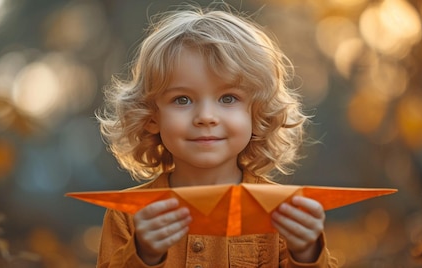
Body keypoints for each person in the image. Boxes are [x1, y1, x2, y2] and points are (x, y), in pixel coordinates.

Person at [95, 3, 338, 267]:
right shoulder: (127, 214)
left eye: (228, 97)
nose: (206, 116)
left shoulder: (284, 211)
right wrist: (144, 254)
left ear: (257, 114)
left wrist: (306, 253)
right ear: (152, 116)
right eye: (183, 99)